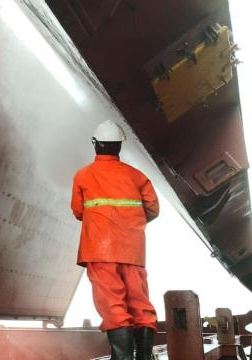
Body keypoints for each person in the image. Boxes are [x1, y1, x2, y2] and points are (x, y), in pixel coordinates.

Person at [70, 120, 159, 360]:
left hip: (100, 251)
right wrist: (129, 225)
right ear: (120, 146)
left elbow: (78, 211)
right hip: (132, 250)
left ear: (95, 144)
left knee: (113, 306)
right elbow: (152, 209)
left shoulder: (83, 176)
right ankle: (143, 357)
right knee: (140, 305)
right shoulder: (137, 177)